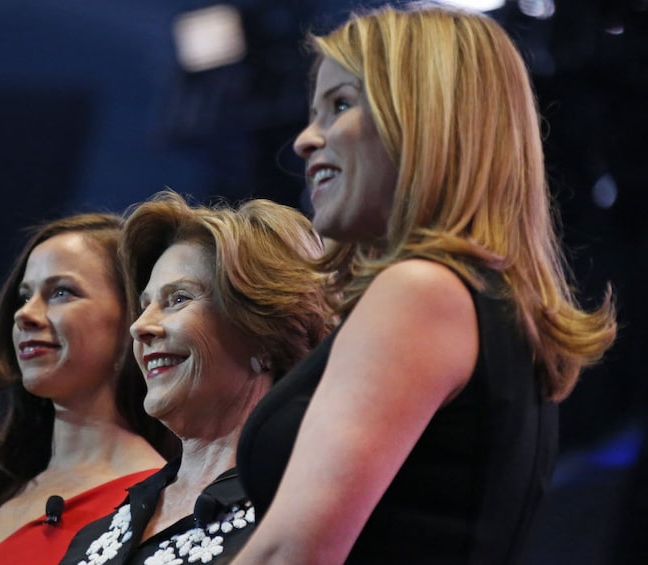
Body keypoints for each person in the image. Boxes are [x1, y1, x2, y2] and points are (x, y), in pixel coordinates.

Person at [232, 5, 618, 564]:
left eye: (340, 105)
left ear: (424, 121)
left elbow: (293, 550)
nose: (305, 140)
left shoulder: (421, 290)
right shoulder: (471, 296)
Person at [58, 190, 334, 565]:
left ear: (265, 333)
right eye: (145, 305)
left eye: (178, 299)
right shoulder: (95, 536)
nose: (140, 327)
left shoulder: (307, 517)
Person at [0, 213, 176, 565]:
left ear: (134, 321)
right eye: (24, 296)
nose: (24, 314)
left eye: (61, 292)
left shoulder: (160, 503)